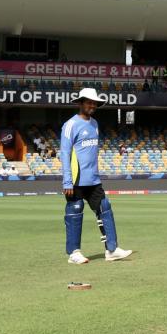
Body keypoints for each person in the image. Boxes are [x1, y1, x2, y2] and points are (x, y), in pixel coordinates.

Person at [60, 88, 132, 264]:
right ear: (81, 103)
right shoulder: (71, 125)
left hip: (93, 179)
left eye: (94, 103)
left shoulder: (94, 124)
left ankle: (112, 250)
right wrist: (67, 181)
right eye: (89, 102)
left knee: (104, 208)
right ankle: (74, 253)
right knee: (75, 212)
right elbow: (64, 153)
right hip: (76, 180)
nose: (92, 105)